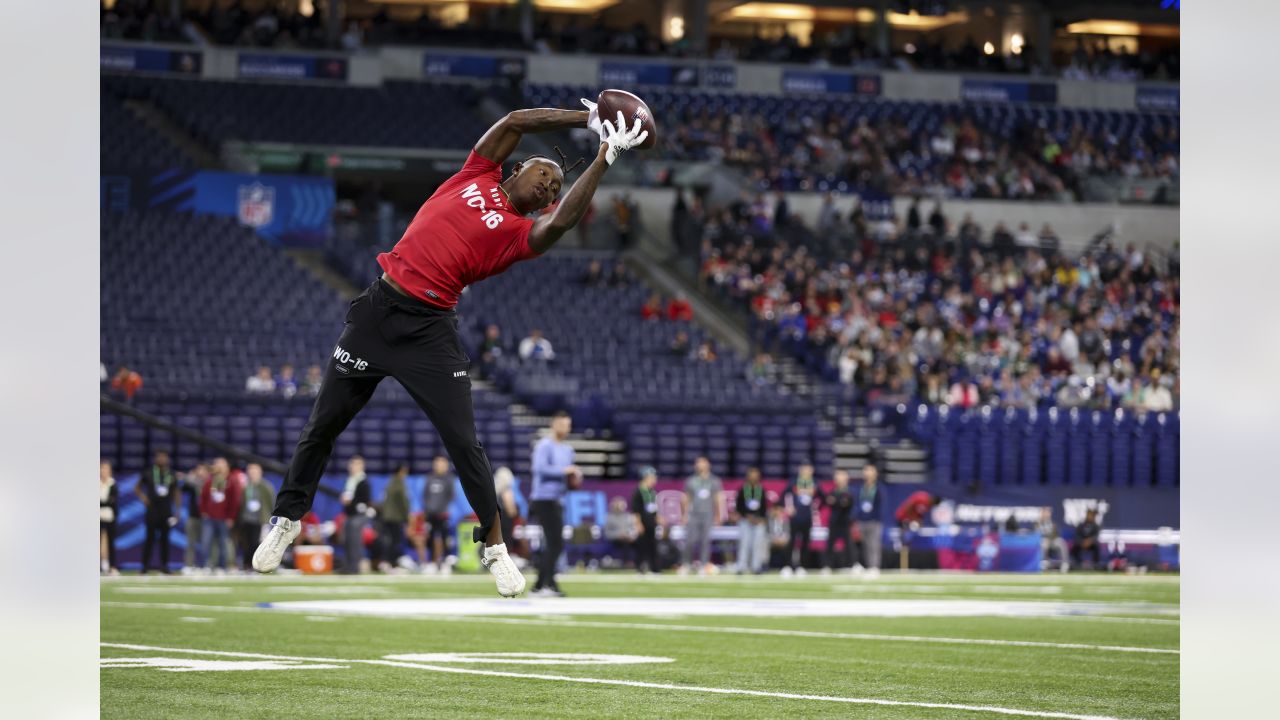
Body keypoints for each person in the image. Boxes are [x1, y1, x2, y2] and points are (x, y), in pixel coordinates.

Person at [251, 96, 649, 598]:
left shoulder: (518, 235)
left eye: (554, 187)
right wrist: (586, 119)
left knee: (465, 444)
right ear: (517, 166)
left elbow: (564, 222)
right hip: (378, 314)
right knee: (323, 424)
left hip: (430, 330)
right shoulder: (474, 174)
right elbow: (514, 121)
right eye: (544, 173)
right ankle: (287, 518)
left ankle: (496, 547)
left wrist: (603, 156)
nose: (549, 184)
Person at [530, 412, 580, 596]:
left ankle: (541, 585)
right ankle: (548, 584)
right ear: (554, 425)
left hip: (558, 498)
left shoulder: (568, 450)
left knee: (554, 543)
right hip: (543, 498)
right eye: (563, 424)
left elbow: (568, 476)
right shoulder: (545, 445)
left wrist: (574, 476)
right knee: (555, 542)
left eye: (568, 425)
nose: (566, 428)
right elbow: (539, 469)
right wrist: (564, 471)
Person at [136, 451, 180, 574]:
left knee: (165, 540)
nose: (162, 459)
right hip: (152, 510)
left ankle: (164, 566)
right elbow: (137, 487)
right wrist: (144, 498)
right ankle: (144, 566)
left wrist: (177, 511)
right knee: (149, 539)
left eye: (164, 457)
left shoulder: (171, 474)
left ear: (167, 459)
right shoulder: (149, 472)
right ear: (156, 459)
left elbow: (177, 492)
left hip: (166, 511)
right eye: (159, 457)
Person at [680, 457, 723, 575]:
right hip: (694, 514)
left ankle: (703, 565)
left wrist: (718, 515)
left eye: (702, 463)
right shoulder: (691, 480)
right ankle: (686, 564)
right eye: (697, 463)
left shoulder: (714, 481)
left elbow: (717, 499)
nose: (699, 465)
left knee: (705, 541)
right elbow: (685, 498)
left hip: (708, 514)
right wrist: (684, 515)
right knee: (690, 540)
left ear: (708, 465)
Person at [200, 457, 242, 573]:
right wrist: (203, 511)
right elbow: (203, 496)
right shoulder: (210, 480)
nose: (218, 467)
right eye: (216, 464)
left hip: (224, 518)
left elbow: (235, 500)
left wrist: (231, 517)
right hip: (210, 517)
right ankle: (206, 566)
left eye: (221, 464)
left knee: (223, 543)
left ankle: (222, 566)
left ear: (227, 466)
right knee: (206, 542)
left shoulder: (232, 480)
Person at [782, 462, 822, 577]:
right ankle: (788, 566)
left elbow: (823, 497)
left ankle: (802, 566)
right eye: (804, 469)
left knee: (805, 543)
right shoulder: (794, 482)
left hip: (807, 518)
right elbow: (783, 495)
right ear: (800, 470)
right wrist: (788, 507)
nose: (806, 472)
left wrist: (817, 508)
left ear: (812, 471)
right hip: (795, 518)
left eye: (808, 469)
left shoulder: (814, 483)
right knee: (791, 542)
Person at [236, 463, 275, 572]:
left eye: (255, 472)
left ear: (260, 472)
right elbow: (242, 503)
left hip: (260, 520)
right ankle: (246, 565)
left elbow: (271, 502)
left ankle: (258, 565)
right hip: (247, 519)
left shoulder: (266, 487)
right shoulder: (245, 486)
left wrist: (268, 517)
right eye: (251, 472)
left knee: (257, 543)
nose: (252, 474)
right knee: (246, 544)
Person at [422, 455, 456, 574]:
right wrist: (427, 510)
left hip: (443, 514)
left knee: (444, 537)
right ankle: (432, 562)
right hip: (431, 514)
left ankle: (445, 562)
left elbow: (451, 496)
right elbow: (425, 495)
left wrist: (444, 510)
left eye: (442, 463)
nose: (439, 465)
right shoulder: (430, 478)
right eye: (437, 463)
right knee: (430, 538)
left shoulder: (449, 479)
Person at [340, 456, 373, 574]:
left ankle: (354, 567)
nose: (352, 467)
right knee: (347, 541)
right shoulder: (350, 480)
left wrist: (351, 502)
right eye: (351, 464)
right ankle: (347, 566)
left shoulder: (363, 481)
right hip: (349, 515)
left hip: (358, 515)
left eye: (355, 464)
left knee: (355, 542)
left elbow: (364, 500)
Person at [734, 467, 768, 575]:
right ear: (748, 476)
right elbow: (739, 507)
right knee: (744, 544)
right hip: (745, 521)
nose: (753, 477)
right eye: (751, 474)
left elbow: (763, 507)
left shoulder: (761, 489)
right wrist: (747, 516)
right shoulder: (743, 489)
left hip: (758, 522)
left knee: (757, 545)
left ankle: (756, 566)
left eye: (755, 474)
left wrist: (760, 519)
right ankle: (741, 566)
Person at [378, 463, 411, 572]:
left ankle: (386, 562)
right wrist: (407, 515)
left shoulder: (390, 482)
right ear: (401, 471)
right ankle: (392, 563)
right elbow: (403, 501)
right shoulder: (399, 483)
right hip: (395, 517)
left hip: (387, 516)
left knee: (389, 540)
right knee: (395, 541)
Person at [854, 464, 884, 577]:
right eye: (866, 471)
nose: (868, 473)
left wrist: (878, 519)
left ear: (875, 473)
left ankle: (875, 567)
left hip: (874, 520)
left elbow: (881, 505)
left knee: (874, 545)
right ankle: (867, 566)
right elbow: (858, 504)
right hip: (862, 520)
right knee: (865, 545)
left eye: (870, 471)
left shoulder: (879, 488)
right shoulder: (861, 488)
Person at [822, 469, 854, 575]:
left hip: (845, 521)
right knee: (830, 544)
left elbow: (845, 504)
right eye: (837, 475)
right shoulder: (833, 491)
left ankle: (852, 565)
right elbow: (829, 501)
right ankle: (827, 566)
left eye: (841, 475)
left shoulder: (849, 491)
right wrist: (838, 502)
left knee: (848, 544)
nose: (839, 478)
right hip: (834, 521)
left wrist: (837, 501)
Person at [631, 466, 661, 573]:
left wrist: (658, 519)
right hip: (643, 523)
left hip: (651, 523)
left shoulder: (652, 492)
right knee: (642, 546)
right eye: (652, 478)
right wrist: (638, 524)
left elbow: (654, 508)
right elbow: (635, 510)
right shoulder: (638, 492)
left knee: (653, 546)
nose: (654, 480)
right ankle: (640, 567)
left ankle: (655, 568)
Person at [181, 463, 208, 572]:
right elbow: (183, 488)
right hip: (193, 516)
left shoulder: (210, 483)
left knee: (206, 543)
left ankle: (205, 565)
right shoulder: (192, 484)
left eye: (203, 470)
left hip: (206, 518)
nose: (200, 473)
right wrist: (189, 479)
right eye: (198, 470)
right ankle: (189, 565)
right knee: (190, 542)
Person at [493, 466, 521, 557]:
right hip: (505, 520)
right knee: (505, 542)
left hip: (495, 518)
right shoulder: (506, 489)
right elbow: (510, 510)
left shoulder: (493, 490)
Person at [602, 497, 636, 565]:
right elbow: (607, 533)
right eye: (617, 505)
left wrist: (632, 536)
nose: (619, 507)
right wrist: (619, 535)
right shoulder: (609, 517)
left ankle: (643, 562)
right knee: (625, 543)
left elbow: (633, 529)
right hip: (616, 540)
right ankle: (627, 562)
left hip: (629, 539)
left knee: (642, 542)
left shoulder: (628, 516)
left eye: (621, 505)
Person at [99, 460, 119, 575]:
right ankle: (100, 566)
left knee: (110, 542)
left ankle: (111, 566)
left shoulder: (113, 484)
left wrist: (104, 502)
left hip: (110, 516)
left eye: (106, 469)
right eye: (102, 468)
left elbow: (113, 501)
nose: (104, 471)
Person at [1037, 507, 1070, 573]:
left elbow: (1057, 534)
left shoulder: (1053, 524)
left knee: (1061, 541)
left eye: (1047, 513)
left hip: (1053, 541)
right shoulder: (1038, 524)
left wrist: (1051, 537)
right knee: (1044, 542)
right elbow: (1036, 535)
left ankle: (1065, 563)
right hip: (1044, 542)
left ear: (1049, 514)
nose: (1045, 514)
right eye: (1044, 513)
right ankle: (1043, 564)